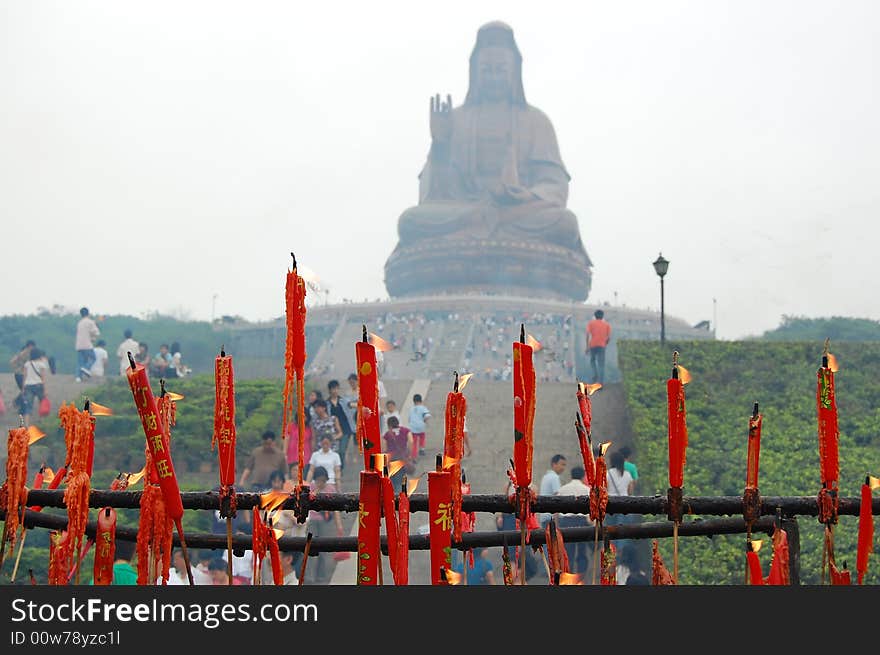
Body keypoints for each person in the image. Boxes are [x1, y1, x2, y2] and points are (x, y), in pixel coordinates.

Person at [303, 465, 344, 584]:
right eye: (318, 480)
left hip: (325, 522)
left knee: (324, 549)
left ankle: (322, 576)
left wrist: (339, 525)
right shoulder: (311, 488)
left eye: (322, 480)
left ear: (326, 479)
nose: (320, 482)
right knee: (311, 548)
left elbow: (335, 509)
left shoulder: (331, 489)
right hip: (312, 522)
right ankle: (309, 577)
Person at [554, 465, 592, 576]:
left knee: (568, 551)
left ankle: (568, 576)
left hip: (566, 522)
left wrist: (556, 524)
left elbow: (556, 508)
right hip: (581, 522)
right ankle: (581, 576)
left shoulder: (562, 489)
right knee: (582, 550)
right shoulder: (586, 490)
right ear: (583, 476)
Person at [326, 380, 354, 468]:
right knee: (334, 450)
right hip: (333, 429)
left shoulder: (343, 400)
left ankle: (341, 468)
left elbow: (351, 405)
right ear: (330, 390)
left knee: (342, 450)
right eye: (333, 389)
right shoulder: (326, 403)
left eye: (337, 388)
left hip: (345, 429)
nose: (335, 391)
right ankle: (335, 468)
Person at [381, 416, 413, 491]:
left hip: (391, 460)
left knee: (392, 481)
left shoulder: (387, 434)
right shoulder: (406, 430)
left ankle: (392, 498)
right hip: (402, 459)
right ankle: (399, 498)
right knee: (400, 481)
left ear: (389, 425)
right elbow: (411, 441)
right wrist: (409, 454)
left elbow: (384, 448)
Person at [20, 348, 50, 427]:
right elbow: (43, 378)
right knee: (42, 403)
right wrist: (45, 389)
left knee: (28, 407)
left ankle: (26, 425)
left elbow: (24, 376)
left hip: (28, 386)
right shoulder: (41, 364)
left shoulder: (27, 364)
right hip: (38, 385)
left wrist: (23, 388)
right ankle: (42, 421)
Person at [538, 454, 567, 527]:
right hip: (551, 518)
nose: (563, 468)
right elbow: (557, 499)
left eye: (565, 465)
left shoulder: (546, 476)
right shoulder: (554, 477)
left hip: (544, 516)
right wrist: (556, 522)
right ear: (554, 464)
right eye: (562, 464)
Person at [586, 309, 611, 385]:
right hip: (602, 345)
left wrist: (587, 346)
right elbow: (608, 338)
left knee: (592, 361)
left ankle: (595, 374)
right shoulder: (607, 325)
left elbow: (587, 335)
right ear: (602, 316)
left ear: (595, 316)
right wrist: (605, 343)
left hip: (593, 345)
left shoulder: (591, 323)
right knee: (601, 364)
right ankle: (600, 382)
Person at [285, 412, 313, 481]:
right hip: (292, 455)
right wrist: (284, 453)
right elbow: (286, 439)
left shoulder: (309, 428)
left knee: (303, 477)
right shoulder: (290, 426)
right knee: (292, 477)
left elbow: (312, 442)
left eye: (305, 417)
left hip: (305, 457)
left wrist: (312, 454)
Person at [75, 307, 100, 382]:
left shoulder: (79, 323)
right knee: (93, 358)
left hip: (79, 345)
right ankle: (86, 368)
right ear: (88, 313)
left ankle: (78, 377)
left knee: (80, 362)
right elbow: (96, 332)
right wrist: (93, 337)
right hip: (87, 344)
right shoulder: (90, 322)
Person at [408, 393, 431, 458]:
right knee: (422, 437)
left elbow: (409, 418)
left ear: (413, 401)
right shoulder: (423, 408)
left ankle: (414, 454)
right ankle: (422, 449)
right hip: (421, 426)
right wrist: (425, 422)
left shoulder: (411, 409)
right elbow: (427, 416)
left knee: (414, 441)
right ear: (421, 400)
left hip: (413, 427)